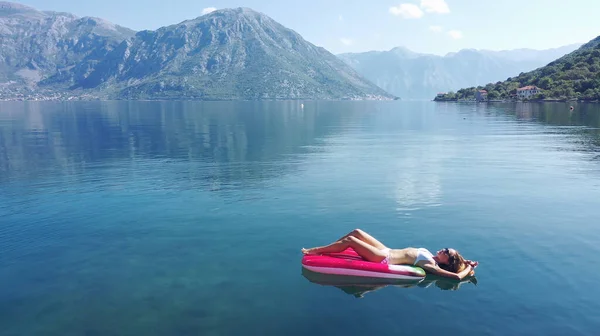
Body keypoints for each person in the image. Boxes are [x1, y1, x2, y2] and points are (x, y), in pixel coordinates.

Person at [301, 228, 478, 281]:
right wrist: (466, 261)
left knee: (351, 242)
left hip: (383, 258)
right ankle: (333, 247)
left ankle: (317, 250)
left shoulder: (429, 265)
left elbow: (455, 276)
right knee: (356, 232)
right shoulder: (431, 255)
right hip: (386, 249)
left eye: (447, 252)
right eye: (446, 248)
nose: (443, 249)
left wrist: (467, 268)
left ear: (447, 260)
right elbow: (458, 265)